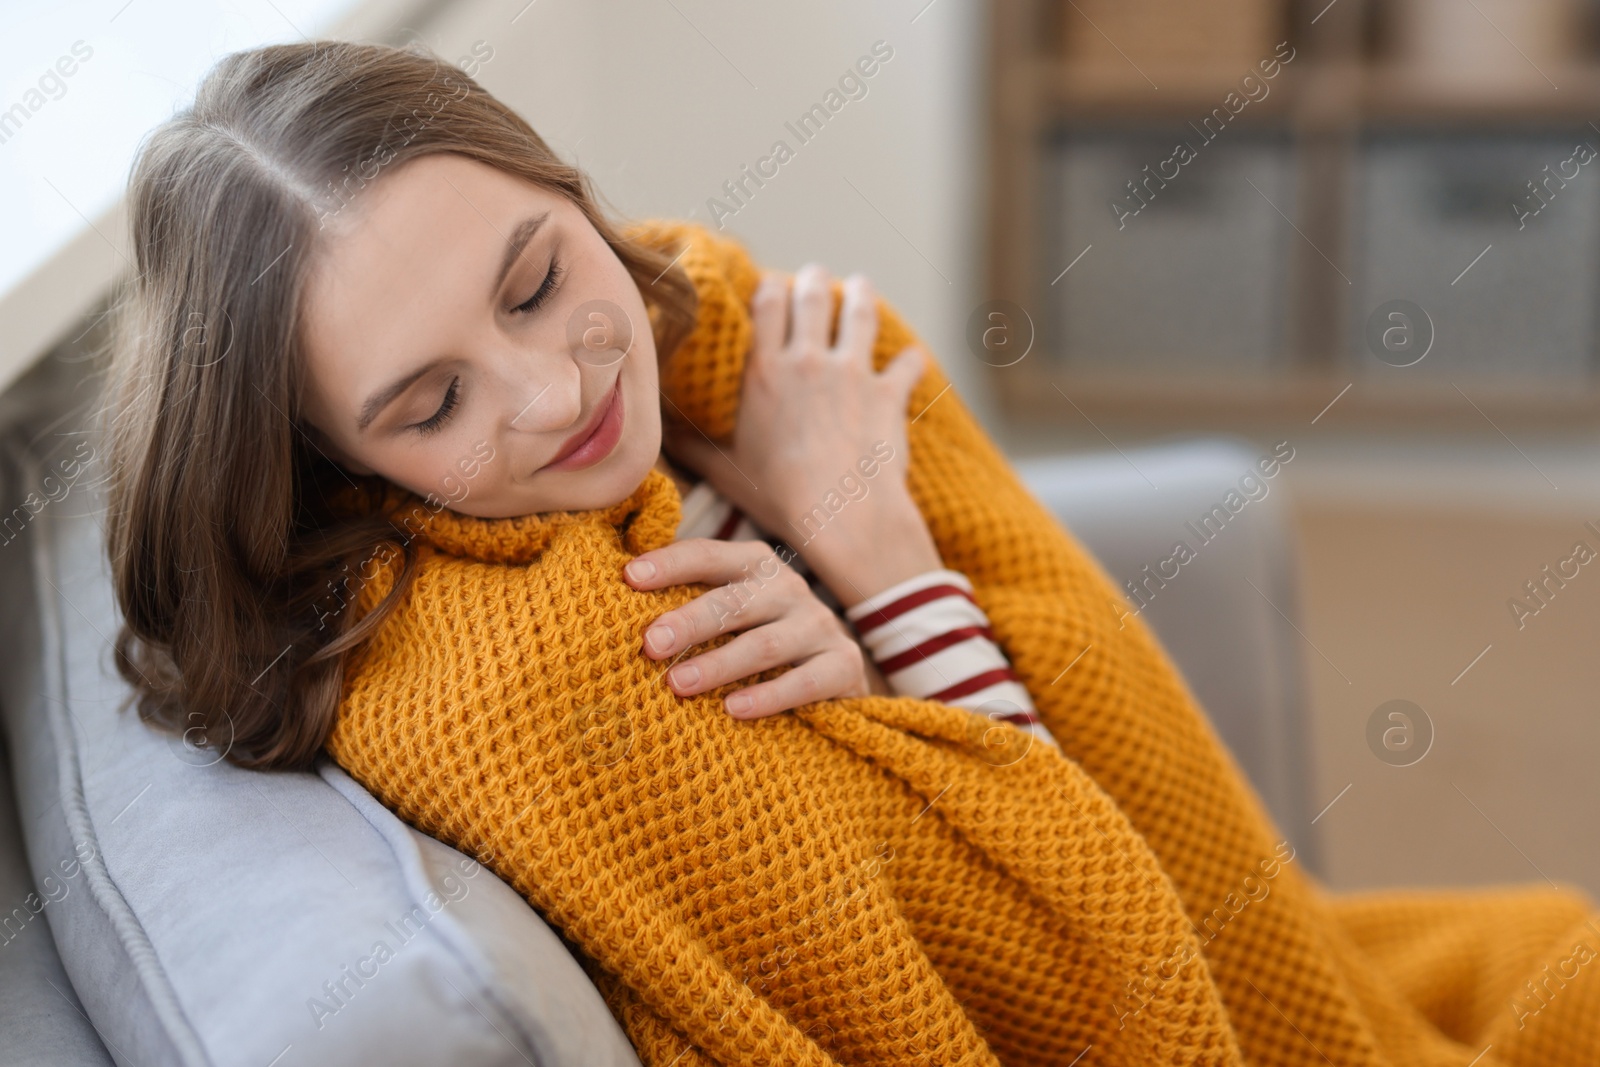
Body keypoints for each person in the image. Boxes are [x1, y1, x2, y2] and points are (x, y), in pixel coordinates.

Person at [99, 39, 1600, 1067]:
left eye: (539, 279)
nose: (555, 391)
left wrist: (871, 626)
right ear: (336, 464)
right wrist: (877, 563)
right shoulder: (569, 656)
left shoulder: (725, 365)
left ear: (563, 188)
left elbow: (1129, 785)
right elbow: (1091, 962)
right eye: (431, 404)